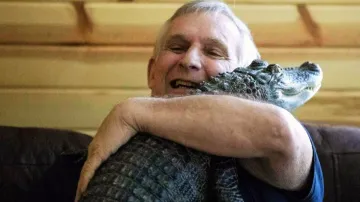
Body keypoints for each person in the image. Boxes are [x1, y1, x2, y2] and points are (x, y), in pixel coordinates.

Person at [75, 0, 324, 201]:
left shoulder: (272, 161)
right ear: (152, 72)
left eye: (213, 52)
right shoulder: (75, 165)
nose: (189, 60)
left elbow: (278, 131)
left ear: (246, 72)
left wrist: (130, 112)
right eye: (176, 47)